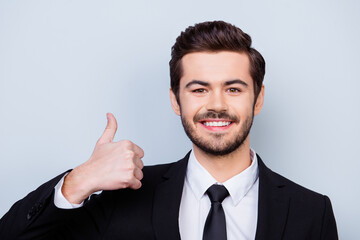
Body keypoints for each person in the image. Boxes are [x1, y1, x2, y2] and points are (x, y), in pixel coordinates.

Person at [0, 20, 338, 240]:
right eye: (199, 89)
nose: (216, 104)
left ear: (258, 98)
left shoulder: (312, 212)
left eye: (233, 89)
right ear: (176, 101)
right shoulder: (121, 200)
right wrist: (79, 180)